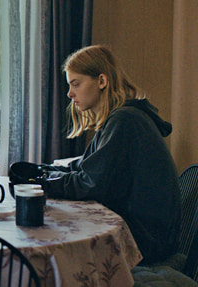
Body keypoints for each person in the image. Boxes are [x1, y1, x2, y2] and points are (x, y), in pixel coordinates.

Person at [43, 45, 180, 264]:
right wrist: (45, 171)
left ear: (102, 81)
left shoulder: (124, 121)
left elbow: (91, 184)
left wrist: (42, 182)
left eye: (75, 84)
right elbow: (85, 167)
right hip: (148, 235)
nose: (70, 94)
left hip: (147, 243)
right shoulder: (119, 119)